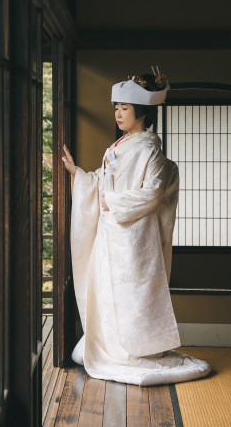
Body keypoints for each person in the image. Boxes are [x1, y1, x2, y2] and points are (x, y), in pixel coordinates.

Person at [61, 68, 211, 386]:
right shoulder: (120, 145)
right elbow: (104, 182)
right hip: (109, 233)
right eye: (116, 107)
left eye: (124, 108)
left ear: (141, 111)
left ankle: (128, 352)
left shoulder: (149, 149)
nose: (118, 113)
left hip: (131, 237)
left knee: (128, 295)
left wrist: (109, 203)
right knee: (104, 290)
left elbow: (152, 192)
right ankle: (108, 347)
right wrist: (80, 175)